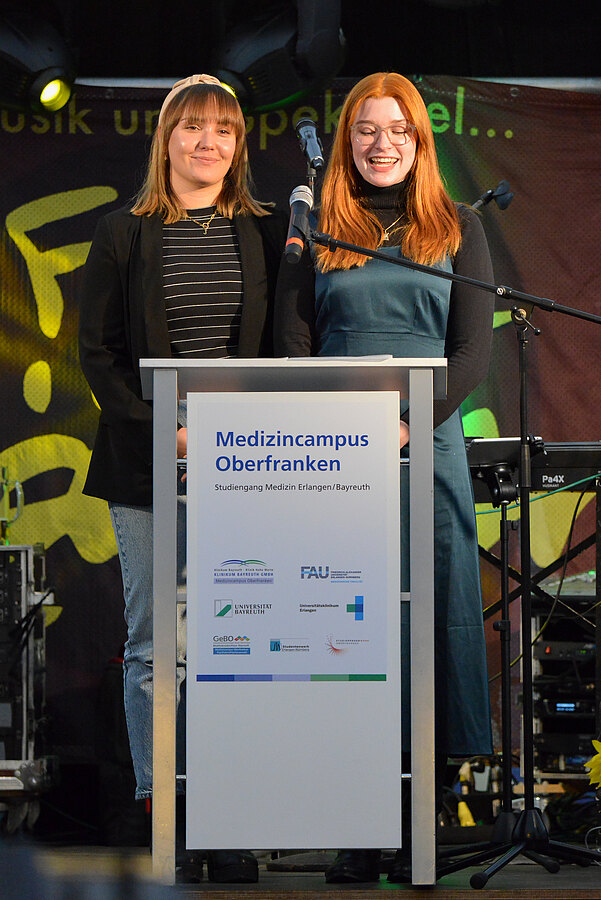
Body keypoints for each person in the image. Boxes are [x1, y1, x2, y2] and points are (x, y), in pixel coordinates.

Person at [275, 71, 494, 884]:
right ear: (347, 140)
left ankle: (418, 821)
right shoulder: (315, 226)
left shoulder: (459, 225)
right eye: (366, 129)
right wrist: (339, 432)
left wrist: (405, 424)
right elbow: (292, 341)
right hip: (335, 452)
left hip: (424, 442)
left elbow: (471, 350)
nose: (381, 143)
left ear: (419, 141)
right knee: (345, 629)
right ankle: (356, 822)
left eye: (397, 129)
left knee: (428, 623)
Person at [79, 74, 285, 883]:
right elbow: (98, 353)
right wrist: (167, 432)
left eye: (224, 131)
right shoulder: (122, 233)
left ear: (238, 148)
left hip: (244, 463)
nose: (208, 142)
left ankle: (228, 815)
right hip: (145, 459)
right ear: (165, 139)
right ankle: (166, 812)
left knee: (234, 641)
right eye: (193, 127)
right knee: (153, 643)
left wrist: (231, 437)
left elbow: (277, 352)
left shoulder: (265, 232)